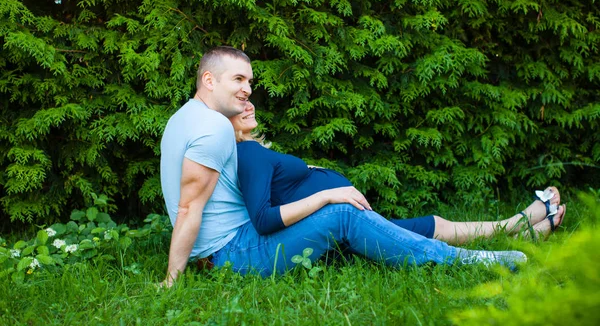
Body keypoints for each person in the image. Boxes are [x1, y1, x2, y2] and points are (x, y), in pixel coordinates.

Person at [161, 46, 529, 285]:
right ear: (208, 80)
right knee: (343, 213)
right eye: (238, 80)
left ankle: (504, 235)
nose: (247, 91)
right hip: (231, 253)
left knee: (355, 224)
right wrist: (172, 279)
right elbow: (189, 206)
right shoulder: (213, 130)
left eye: (250, 81)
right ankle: (473, 261)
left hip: (230, 248)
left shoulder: (185, 118)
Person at [229, 101, 566, 245]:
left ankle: (518, 228)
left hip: (346, 227)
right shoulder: (247, 152)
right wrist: (329, 194)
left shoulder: (251, 151)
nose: (249, 102)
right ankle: (519, 226)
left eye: (249, 94)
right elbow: (263, 219)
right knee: (431, 228)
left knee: (428, 228)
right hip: (340, 233)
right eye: (239, 100)